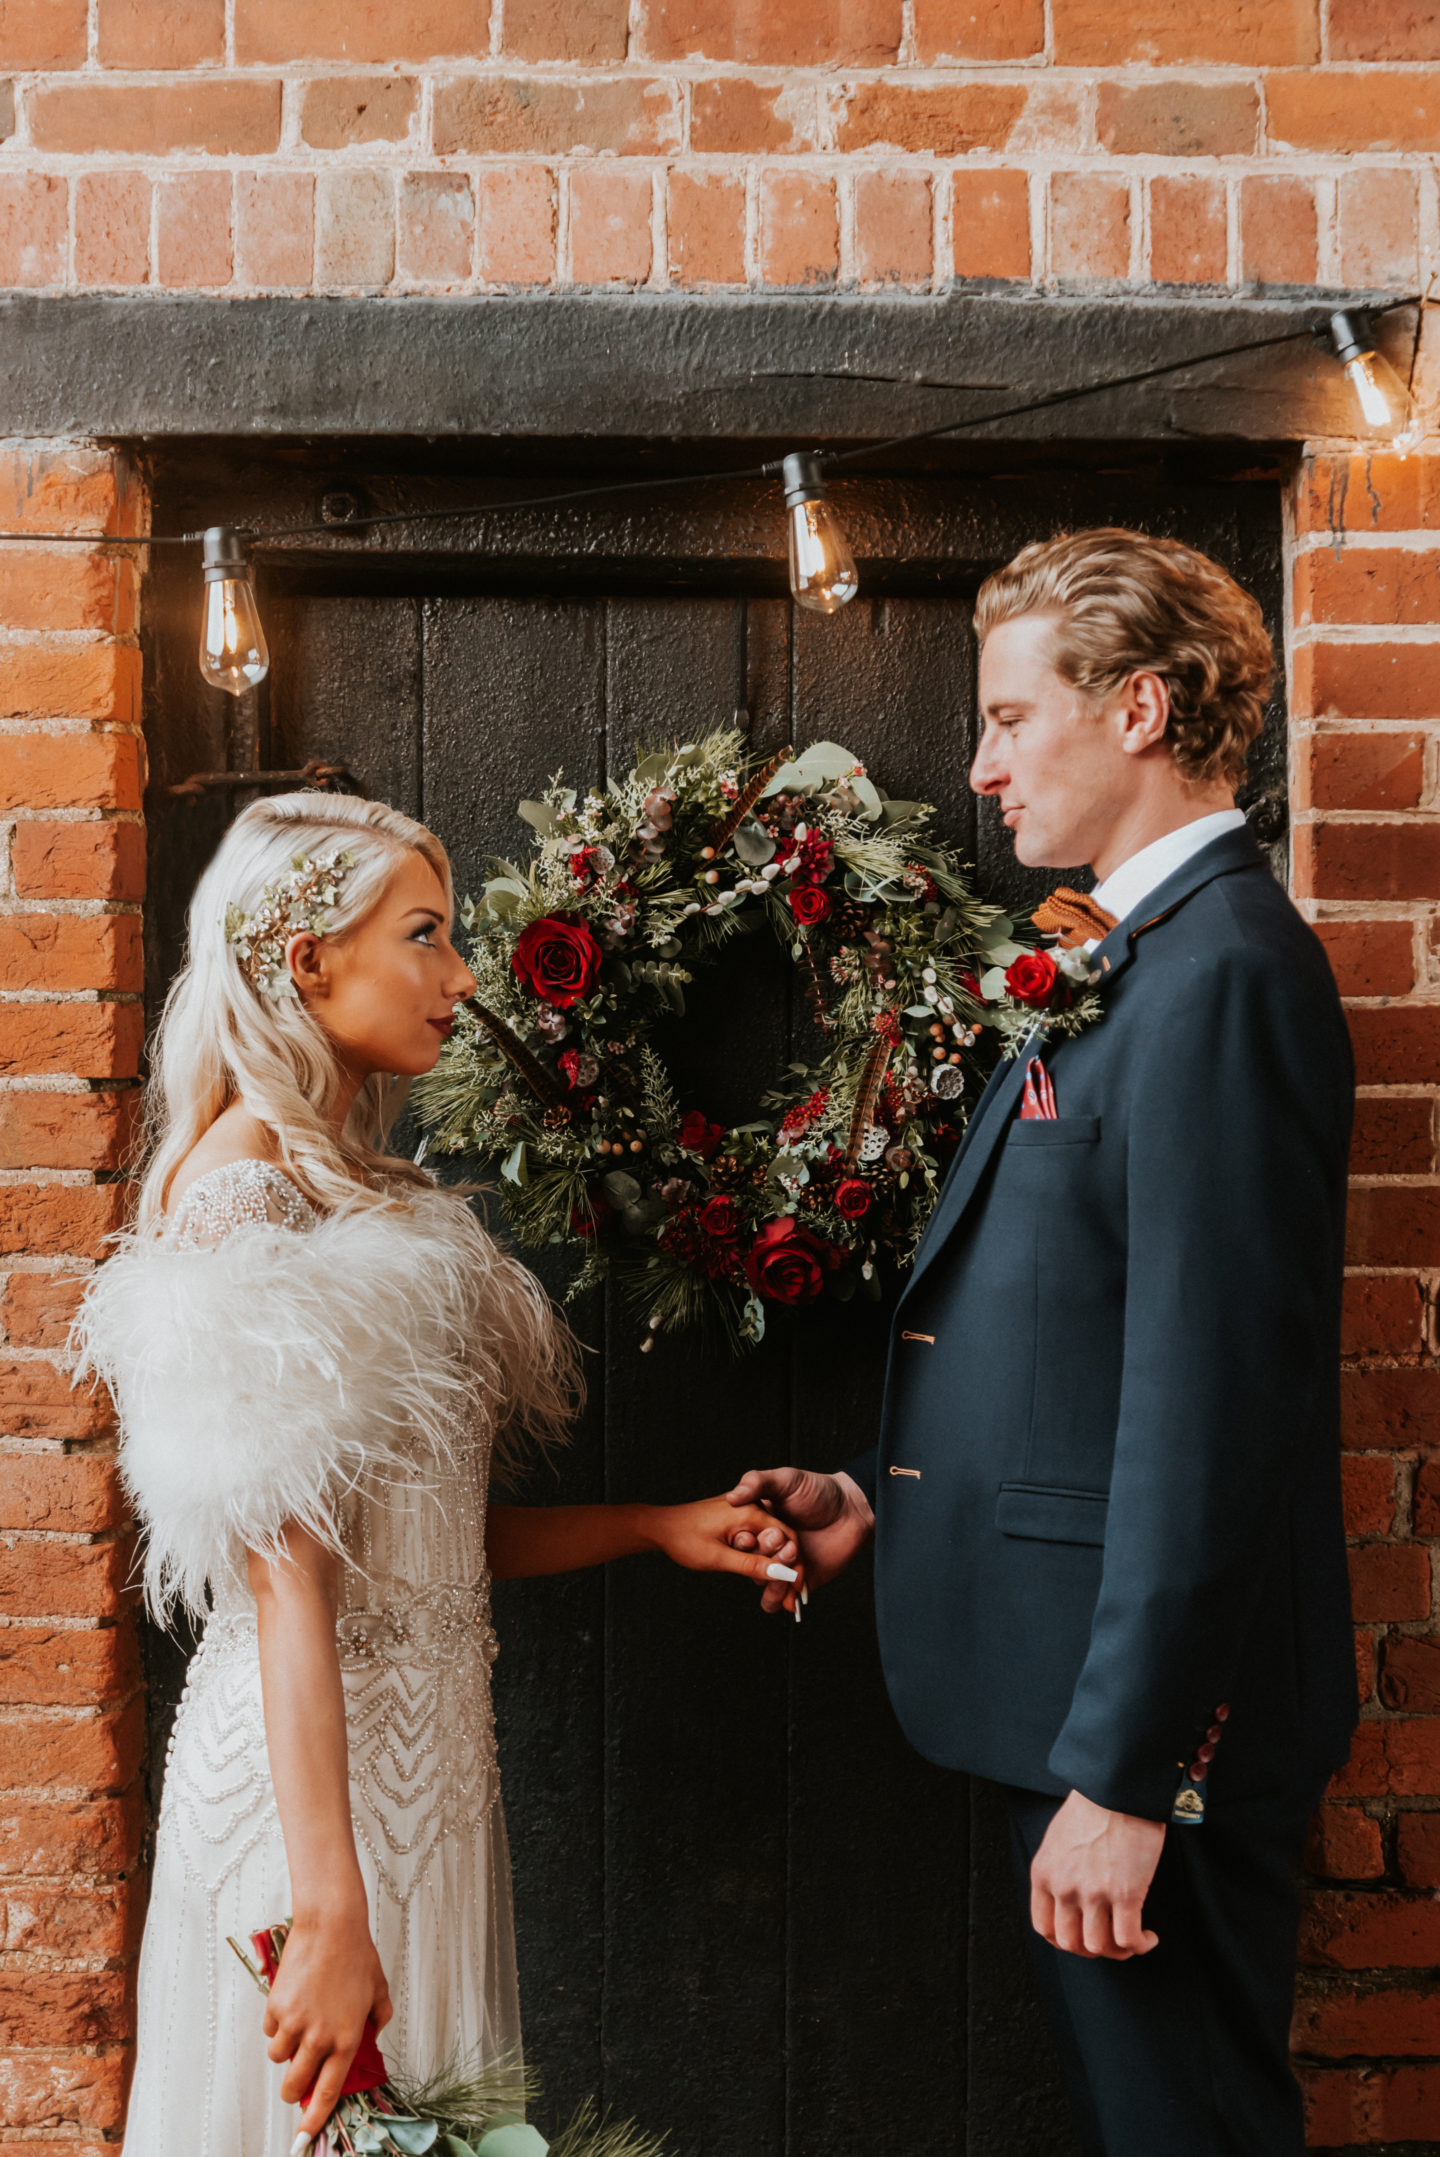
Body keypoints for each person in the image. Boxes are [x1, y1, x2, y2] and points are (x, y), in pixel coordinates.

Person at [729, 528, 1356, 2156]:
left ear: (1139, 708)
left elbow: (1214, 1408)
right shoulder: (1130, 957)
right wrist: (890, 1494)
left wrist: (1131, 1775)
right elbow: (1080, 1330)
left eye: (1012, 718)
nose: (983, 764)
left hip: (1139, 1732)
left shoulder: (1222, 972)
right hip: (1069, 1691)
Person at [73, 792, 803, 2157]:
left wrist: (656, 1524)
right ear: (307, 963)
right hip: (309, 1816)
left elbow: (425, 1544)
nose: (465, 974)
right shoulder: (241, 1194)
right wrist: (328, 1907)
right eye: (426, 934)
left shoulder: (363, 1185)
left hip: (428, 1786)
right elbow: (291, 1590)